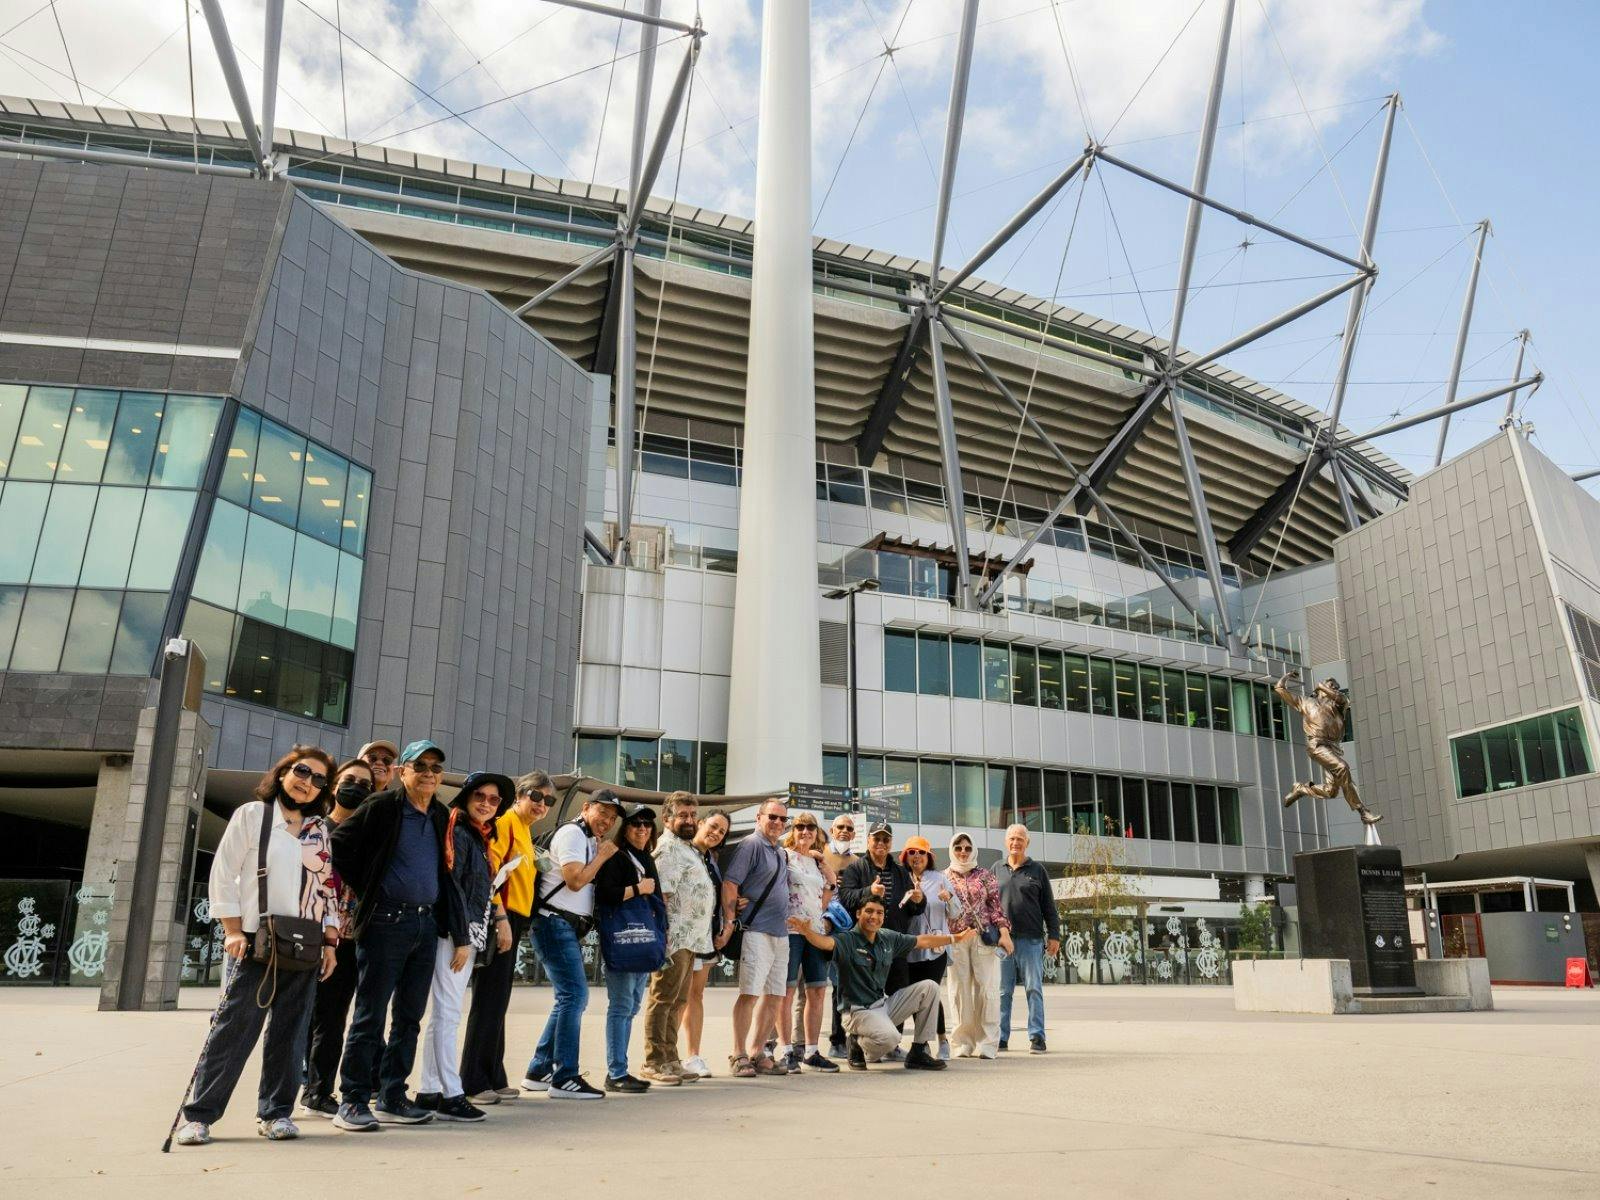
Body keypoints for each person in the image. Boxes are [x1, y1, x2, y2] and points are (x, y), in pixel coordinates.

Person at [173, 746, 340, 1146]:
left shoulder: (318, 828)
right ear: (283, 772)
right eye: (302, 771)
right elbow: (223, 872)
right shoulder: (253, 815)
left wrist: (331, 942)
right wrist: (232, 929)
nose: (308, 783)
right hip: (253, 941)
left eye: (319, 779)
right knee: (233, 1030)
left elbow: (327, 887)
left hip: (303, 944)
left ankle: (276, 1113)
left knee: (291, 1033)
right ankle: (200, 1116)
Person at [330, 739, 467, 1131]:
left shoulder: (440, 814)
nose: (428, 774)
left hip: (425, 925)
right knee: (370, 1015)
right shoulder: (381, 806)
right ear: (401, 771)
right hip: (385, 922)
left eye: (435, 768)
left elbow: (446, 874)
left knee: (409, 1017)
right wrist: (370, 885)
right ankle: (353, 1100)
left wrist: (457, 931)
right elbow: (337, 844)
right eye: (419, 766)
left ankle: (392, 1095)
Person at [417, 771, 512, 1122]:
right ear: (467, 797)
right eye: (480, 796)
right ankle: (451, 1093)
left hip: (464, 932)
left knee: (444, 1013)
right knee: (448, 1013)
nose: (486, 804)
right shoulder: (458, 832)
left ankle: (430, 1089)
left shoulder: (476, 835)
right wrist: (461, 938)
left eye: (494, 800)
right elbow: (452, 888)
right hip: (455, 934)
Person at [522, 788, 625, 1100]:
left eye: (612, 817)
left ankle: (539, 1070)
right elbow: (575, 880)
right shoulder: (573, 834)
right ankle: (565, 1076)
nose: (607, 820)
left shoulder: (588, 839)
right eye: (602, 812)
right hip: (553, 922)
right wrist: (603, 856)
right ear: (586, 807)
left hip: (561, 925)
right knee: (574, 996)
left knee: (567, 998)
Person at [788, 898, 974, 1071]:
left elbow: (921, 941)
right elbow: (826, 943)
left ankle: (918, 1052)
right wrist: (807, 932)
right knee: (891, 1039)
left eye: (879, 913)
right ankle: (858, 1044)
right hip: (857, 1012)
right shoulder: (848, 940)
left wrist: (954, 938)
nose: (874, 917)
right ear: (858, 914)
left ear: (884, 917)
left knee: (930, 987)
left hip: (882, 1006)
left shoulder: (886, 937)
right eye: (869, 911)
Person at [460, 770, 551, 1105]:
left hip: (514, 917)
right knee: (488, 1000)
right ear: (521, 795)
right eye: (536, 796)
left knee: (498, 1000)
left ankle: (493, 1075)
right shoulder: (506, 823)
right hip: (500, 916)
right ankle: (473, 1080)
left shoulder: (523, 828)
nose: (542, 804)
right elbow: (490, 873)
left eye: (548, 800)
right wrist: (500, 919)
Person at [299, 757, 374, 1117]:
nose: (356, 788)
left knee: (333, 1018)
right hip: (313, 934)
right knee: (307, 1018)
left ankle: (319, 1090)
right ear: (333, 785)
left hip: (351, 938)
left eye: (365, 785)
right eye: (350, 780)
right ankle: (305, 1088)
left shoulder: (369, 835)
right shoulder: (315, 830)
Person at [640, 793, 715, 1086]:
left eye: (693, 815)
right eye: (683, 815)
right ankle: (653, 1062)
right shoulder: (669, 848)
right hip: (674, 939)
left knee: (677, 1001)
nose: (690, 820)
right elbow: (662, 897)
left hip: (690, 940)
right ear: (667, 818)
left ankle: (670, 1059)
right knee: (663, 999)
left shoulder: (686, 847)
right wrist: (663, 938)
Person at [594, 803, 665, 1094]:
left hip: (642, 941)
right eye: (636, 824)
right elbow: (604, 895)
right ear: (625, 829)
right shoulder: (617, 856)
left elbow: (656, 898)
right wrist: (638, 889)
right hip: (624, 941)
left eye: (647, 824)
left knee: (632, 1006)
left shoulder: (646, 858)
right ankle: (616, 1072)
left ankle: (620, 1069)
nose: (642, 829)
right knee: (622, 1006)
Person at [837, 820, 924, 1057]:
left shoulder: (900, 871)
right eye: (877, 838)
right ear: (868, 841)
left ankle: (891, 1044)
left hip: (892, 942)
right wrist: (869, 892)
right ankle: (852, 1042)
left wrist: (919, 900)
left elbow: (913, 908)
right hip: (862, 944)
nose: (881, 843)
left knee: (898, 990)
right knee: (860, 994)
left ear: (891, 843)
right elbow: (845, 898)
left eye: (886, 839)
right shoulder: (856, 868)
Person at [720, 796, 791, 1078]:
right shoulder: (751, 844)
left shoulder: (780, 851)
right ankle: (738, 1054)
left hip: (780, 933)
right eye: (772, 816)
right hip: (756, 930)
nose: (777, 822)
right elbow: (730, 883)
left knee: (774, 996)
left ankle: (757, 1051)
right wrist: (730, 920)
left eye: (782, 818)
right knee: (749, 993)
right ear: (758, 818)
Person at [777, 811, 838, 1072]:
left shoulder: (816, 861)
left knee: (817, 990)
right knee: (786, 992)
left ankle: (811, 1051)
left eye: (810, 827)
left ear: (816, 832)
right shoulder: (784, 856)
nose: (805, 831)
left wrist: (826, 870)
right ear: (793, 831)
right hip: (790, 931)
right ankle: (786, 1051)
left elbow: (826, 894)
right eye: (800, 827)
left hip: (815, 932)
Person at [944, 833, 1013, 1059]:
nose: (963, 852)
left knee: (987, 989)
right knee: (959, 991)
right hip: (957, 939)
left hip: (983, 938)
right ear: (952, 850)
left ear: (973, 850)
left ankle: (988, 1042)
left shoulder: (985, 875)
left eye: (967, 848)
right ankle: (962, 1042)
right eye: (958, 848)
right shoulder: (944, 876)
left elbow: (996, 907)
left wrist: (1004, 933)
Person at [993, 824, 1061, 1054]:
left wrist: (1054, 935)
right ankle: (1001, 1037)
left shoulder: (1037, 870)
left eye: (1020, 839)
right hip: (1003, 941)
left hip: (1031, 940)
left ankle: (1037, 1036)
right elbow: (988, 905)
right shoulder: (996, 869)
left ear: (1027, 843)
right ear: (1006, 842)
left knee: (1034, 989)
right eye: (1012, 838)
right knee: (1003, 992)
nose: (1015, 843)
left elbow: (1049, 907)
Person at [679, 808, 731, 1079]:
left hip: (706, 937)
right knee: (677, 997)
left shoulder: (711, 858)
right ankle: (666, 1055)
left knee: (695, 996)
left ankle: (692, 1056)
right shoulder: (681, 850)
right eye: (713, 826)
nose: (716, 833)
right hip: (684, 937)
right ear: (700, 823)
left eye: (722, 831)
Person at [901, 835, 954, 1060]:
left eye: (921, 852)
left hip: (935, 948)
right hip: (910, 948)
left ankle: (942, 1040)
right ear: (905, 856)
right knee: (916, 996)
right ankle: (922, 1043)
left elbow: (957, 912)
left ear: (928, 856)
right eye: (912, 852)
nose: (917, 856)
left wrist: (948, 898)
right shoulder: (901, 878)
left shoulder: (940, 878)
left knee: (932, 993)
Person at [823, 813, 858, 1055]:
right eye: (840, 827)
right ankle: (798, 1044)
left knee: (841, 987)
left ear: (854, 834)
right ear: (832, 830)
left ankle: (838, 1041)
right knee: (807, 989)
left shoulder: (857, 862)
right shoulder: (819, 855)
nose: (844, 831)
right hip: (820, 927)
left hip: (846, 932)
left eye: (849, 828)